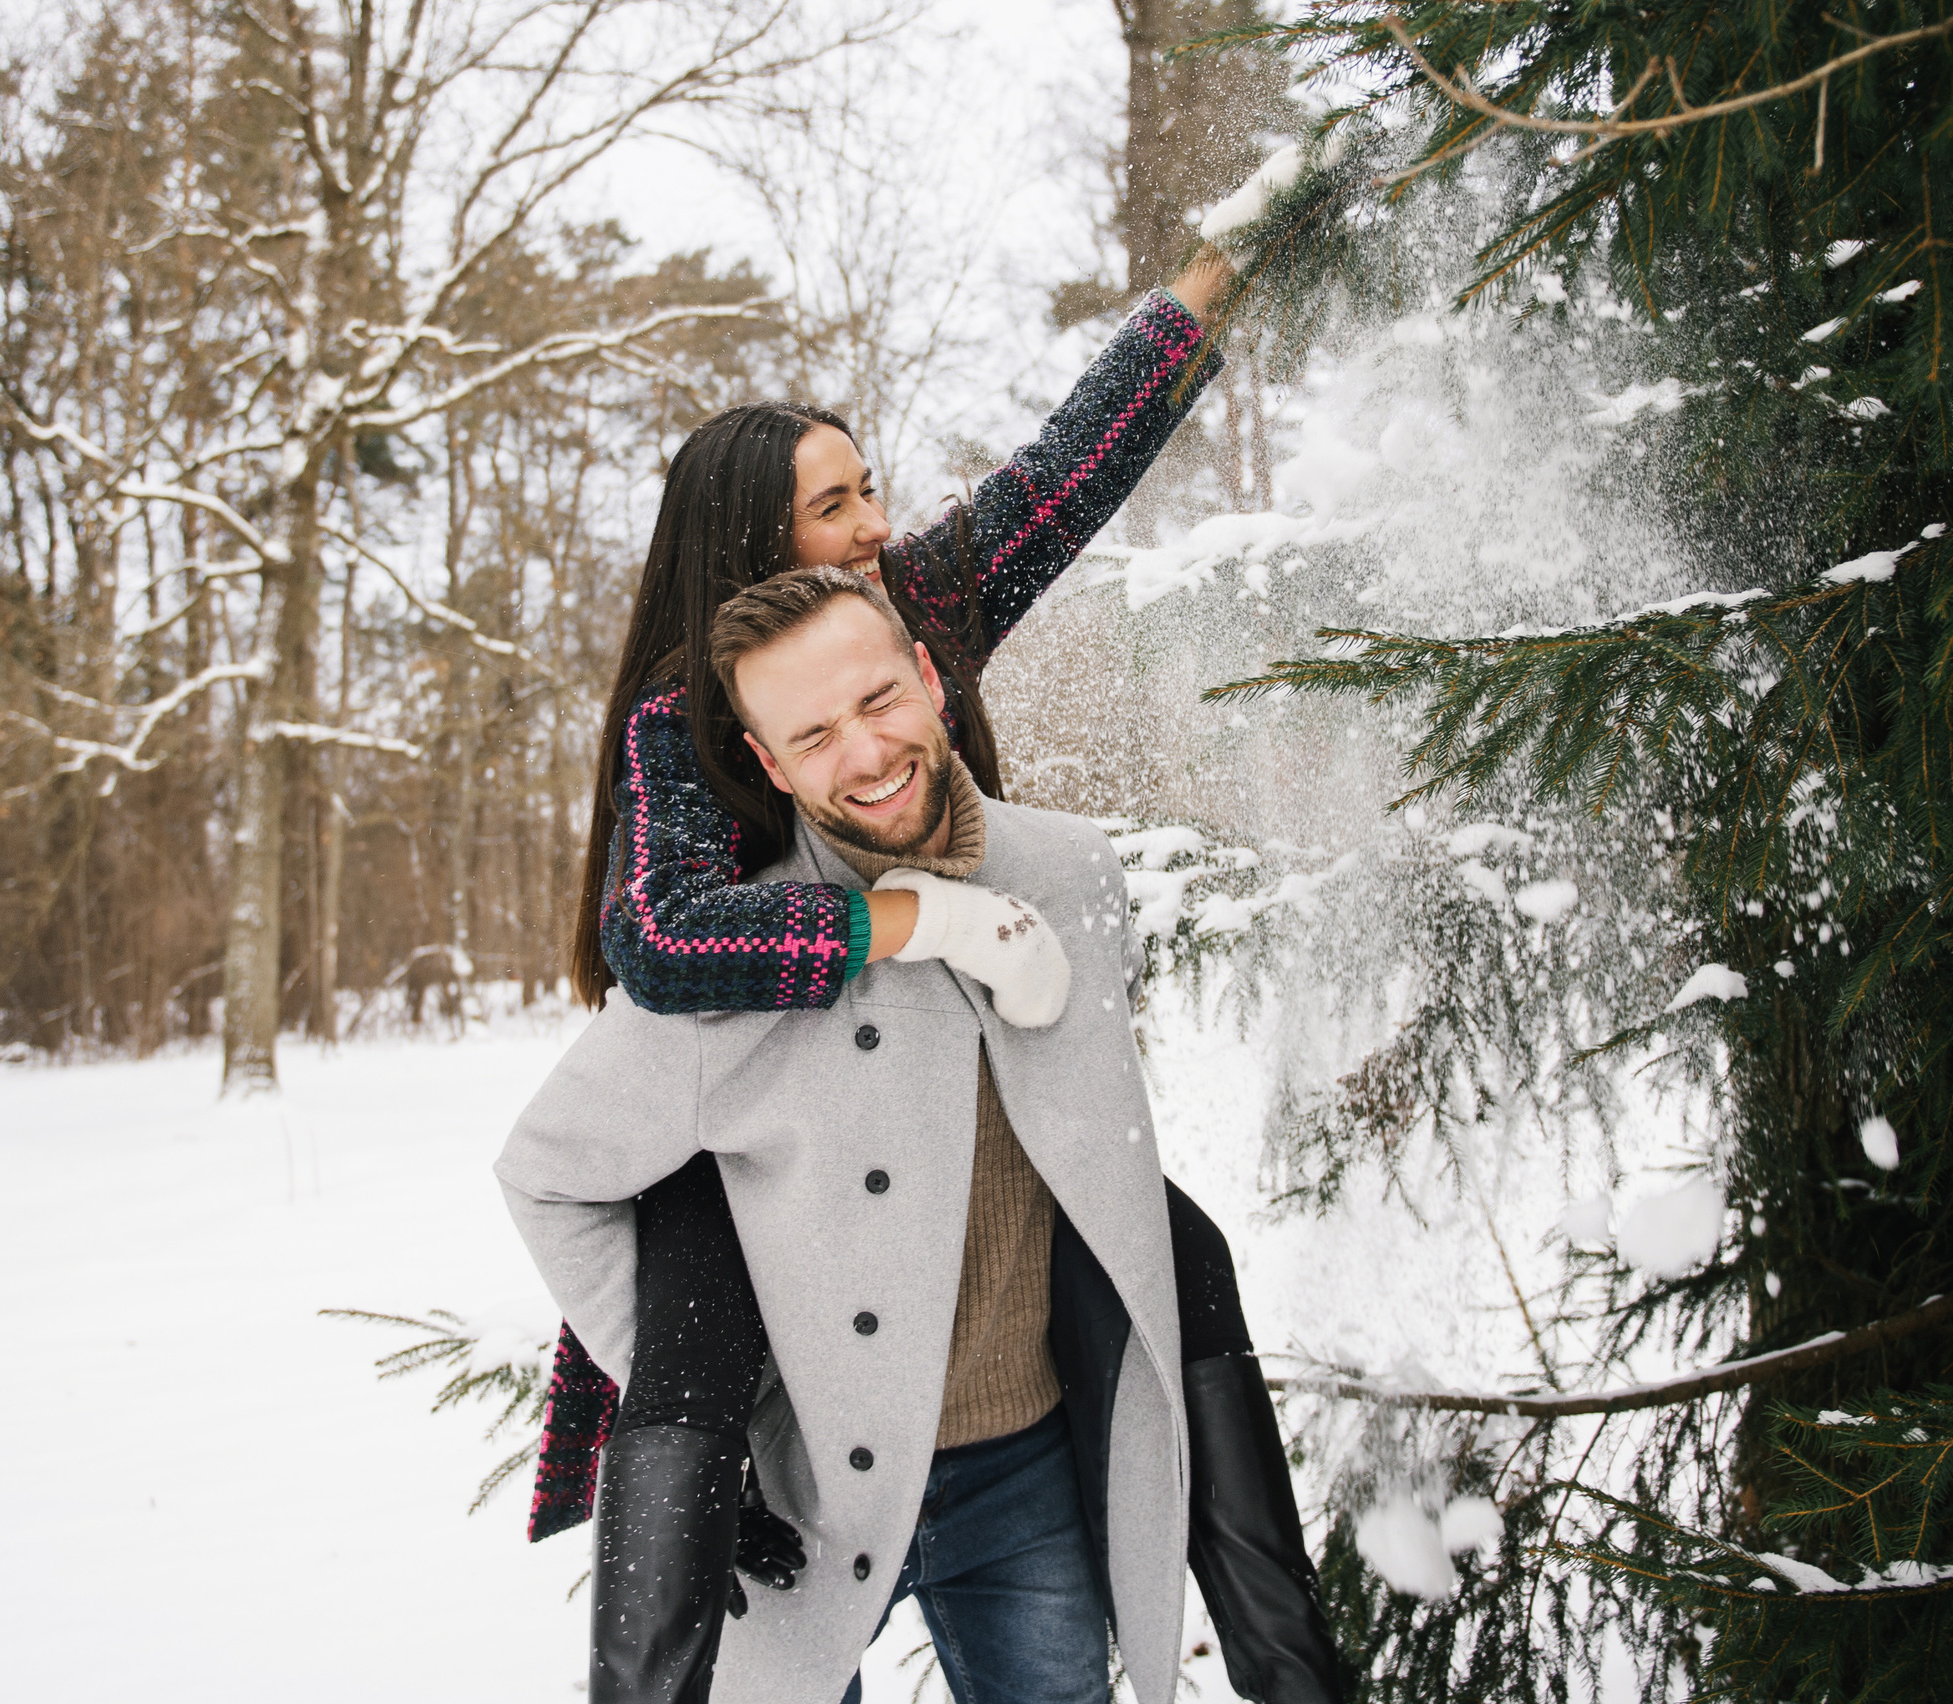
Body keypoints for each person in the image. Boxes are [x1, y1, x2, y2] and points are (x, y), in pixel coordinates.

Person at [536, 244, 1340, 1704]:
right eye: (832, 505)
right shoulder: (681, 715)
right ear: (752, 541)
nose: (871, 523)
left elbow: (1060, 476)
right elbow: (653, 942)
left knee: (1183, 1260)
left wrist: (1195, 303)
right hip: (754, 1156)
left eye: (867, 489)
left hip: (961, 1089)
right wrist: (894, 929)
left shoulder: (918, 605)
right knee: (702, 1356)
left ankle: (1294, 1670)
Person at [502, 565, 1204, 1704]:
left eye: (879, 702)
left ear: (930, 679)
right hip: (806, 1490)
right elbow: (547, 1173)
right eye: (814, 735)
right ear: (770, 766)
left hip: (1026, 1467)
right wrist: (709, 1411)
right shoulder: (745, 957)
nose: (867, 756)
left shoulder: (1073, 870)